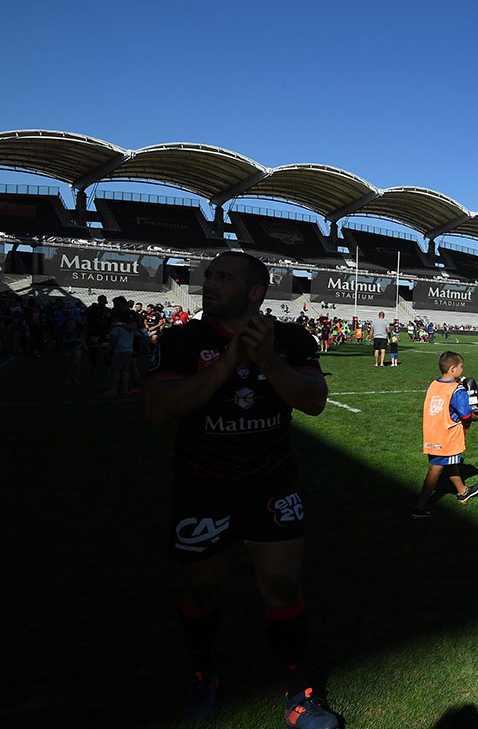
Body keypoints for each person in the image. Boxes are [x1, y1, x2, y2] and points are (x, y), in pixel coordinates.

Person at [141, 251, 339, 728]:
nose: (209, 283)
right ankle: (203, 672)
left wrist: (267, 360)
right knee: (202, 588)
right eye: (209, 276)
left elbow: (313, 402)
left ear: (255, 292)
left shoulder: (290, 339)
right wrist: (230, 361)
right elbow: (158, 409)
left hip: (271, 481)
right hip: (202, 485)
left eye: (223, 278)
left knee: (281, 584)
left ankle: (298, 694)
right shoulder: (183, 339)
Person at [412, 351, 478, 516]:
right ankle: (420, 507)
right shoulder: (456, 389)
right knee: (435, 469)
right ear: (452, 369)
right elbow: (466, 415)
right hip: (446, 436)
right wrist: (477, 416)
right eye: (460, 367)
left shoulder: (434, 384)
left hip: (432, 432)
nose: (461, 370)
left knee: (449, 462)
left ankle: (463, 491)